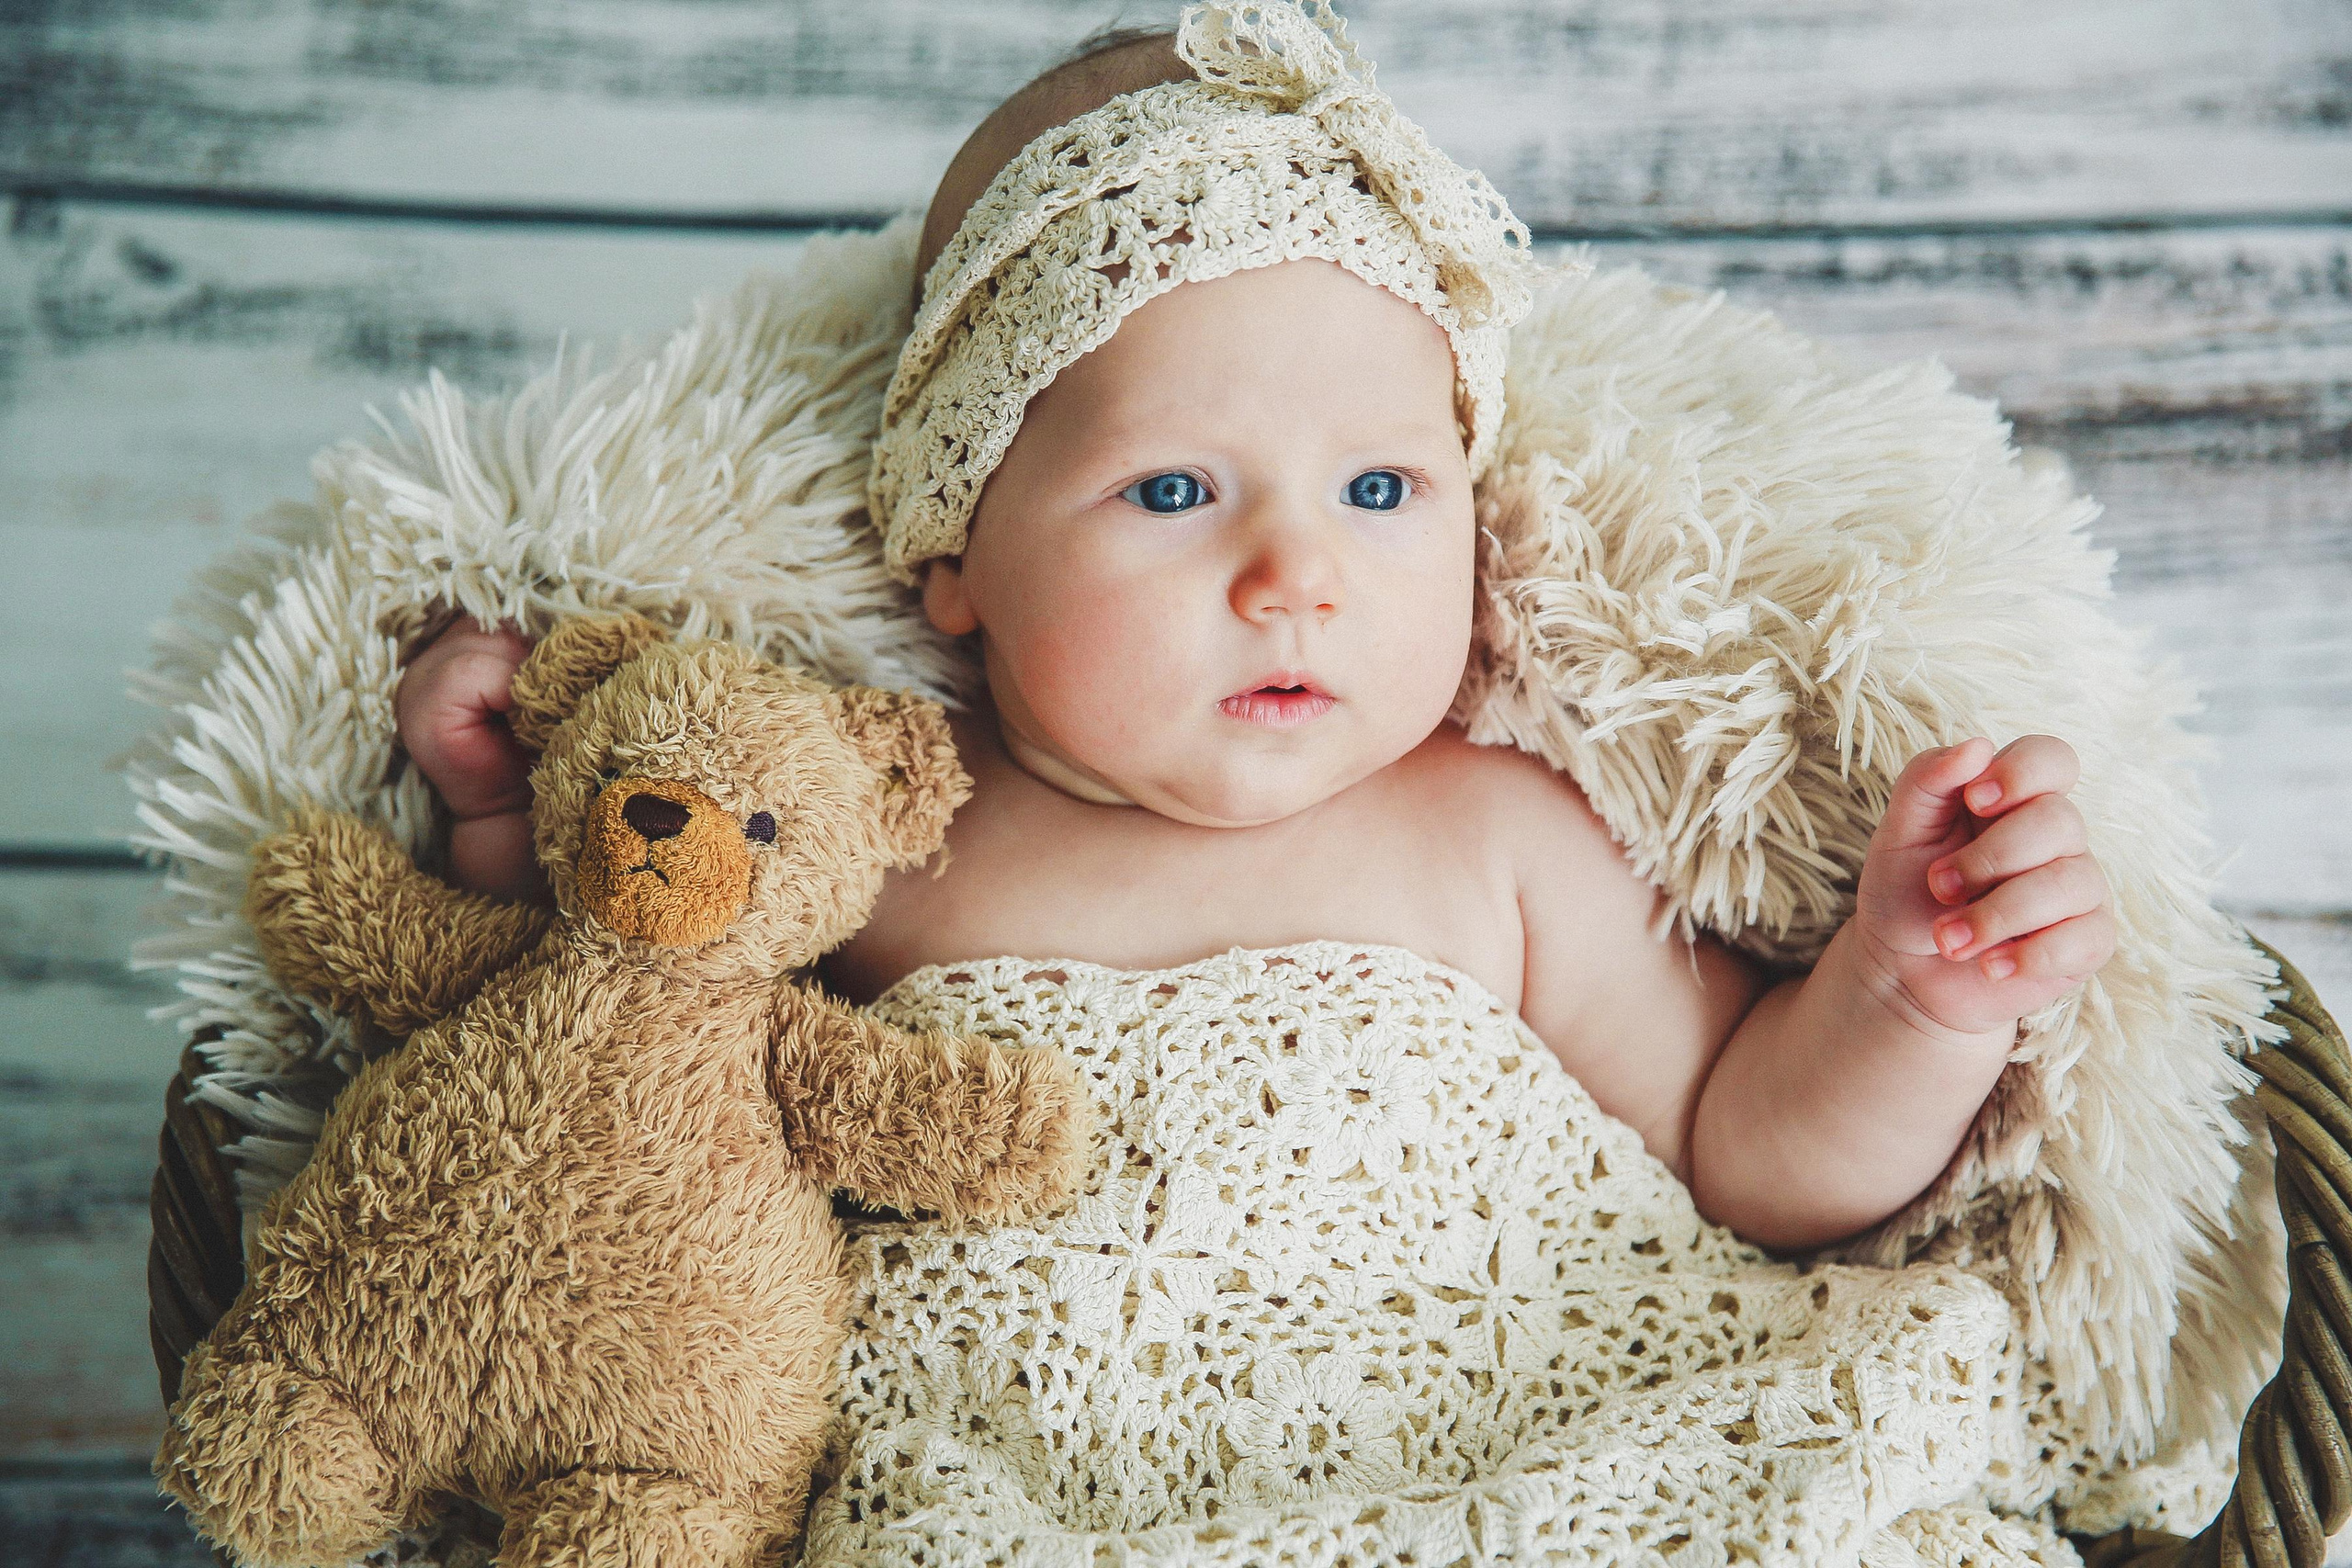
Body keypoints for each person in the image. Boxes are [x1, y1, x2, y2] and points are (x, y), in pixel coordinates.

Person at [390, 8, 2112, 1260]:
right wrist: (498, 808)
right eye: (1171, 492)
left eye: (1377, 489)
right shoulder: (875, 826)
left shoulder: (1501, 841)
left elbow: (1747, 1154)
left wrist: (1912, 995)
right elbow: (609, 1035)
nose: (1297, 576)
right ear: (958, 554)